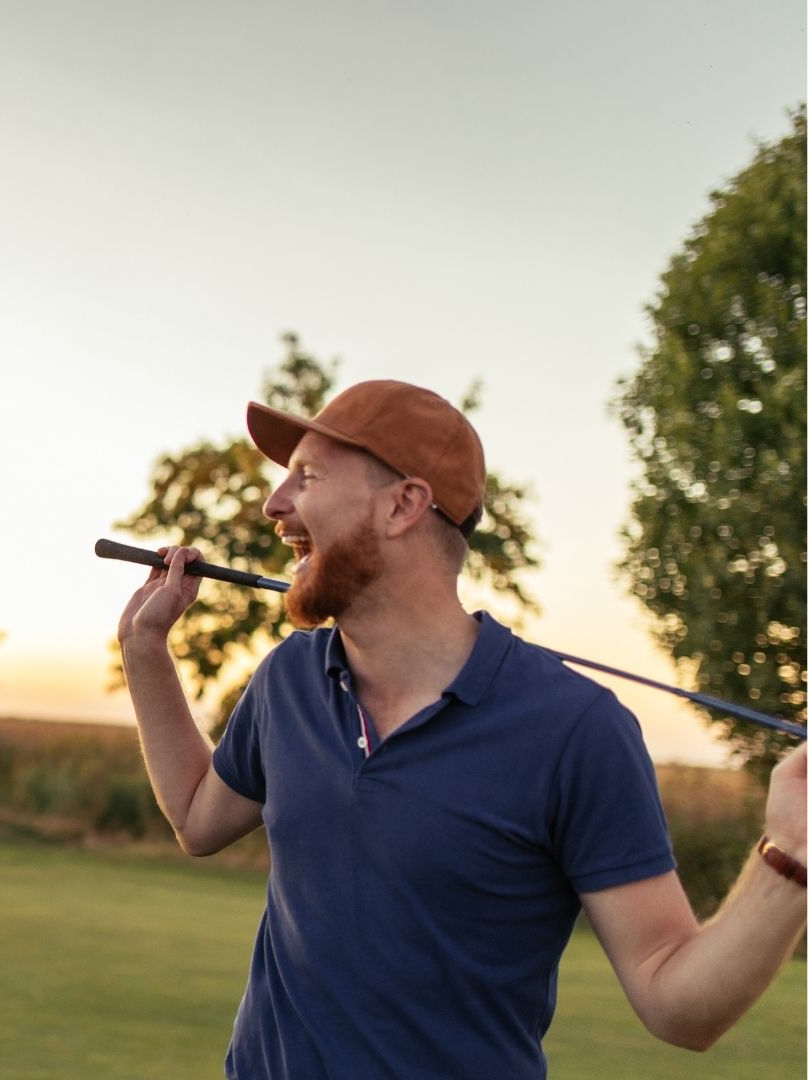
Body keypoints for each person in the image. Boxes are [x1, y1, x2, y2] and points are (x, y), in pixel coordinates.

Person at [116, 380, 808, 1079]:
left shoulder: (575, 731)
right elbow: (198, 819)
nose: (274, 503)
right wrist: (145, 651)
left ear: (404, 505)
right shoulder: (287, 680)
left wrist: (792, 857)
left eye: (308, 476)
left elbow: (676, 1002)